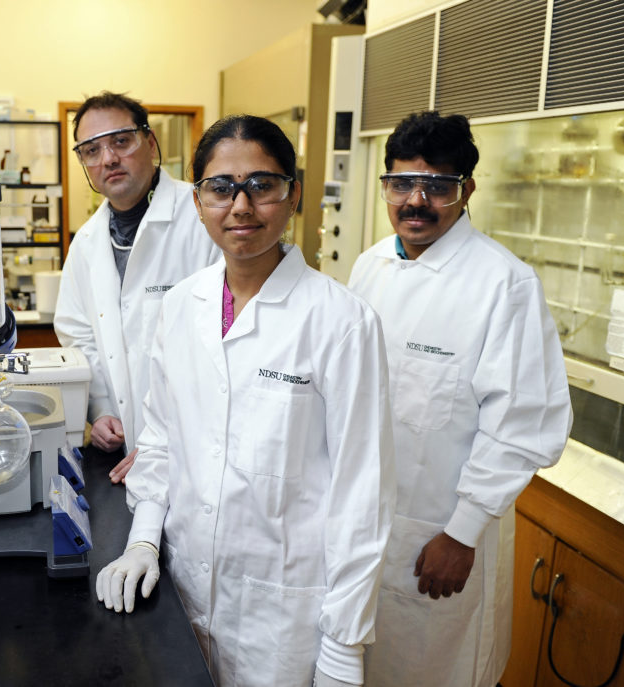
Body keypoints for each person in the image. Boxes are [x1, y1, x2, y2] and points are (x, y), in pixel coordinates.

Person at [95, 115, 396, 687]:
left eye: (262, 185)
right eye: (221, 187)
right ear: (198, 200)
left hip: (283, 616)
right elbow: (161, 440)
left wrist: (344, 643)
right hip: (182, 589)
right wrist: (143, 540)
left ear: (293, 195)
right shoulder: (181, 305)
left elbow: (364, 492)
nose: (241, 206)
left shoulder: (342, 322)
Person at [348, 111, 573, 687]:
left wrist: (463, 532)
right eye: (401, 183)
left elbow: (523, 424)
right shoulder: (370, 266)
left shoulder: (503, 284)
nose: (416, 201)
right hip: (365, 527)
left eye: (438, 186)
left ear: (466, 190)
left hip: (441, 536)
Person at [54, 92, 221, 482]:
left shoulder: (204, 218)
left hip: (197, 447)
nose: (108, 158)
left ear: (149, 141)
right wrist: (99, 410)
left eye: (121, 141)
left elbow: (223, 343)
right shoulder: (86, 243)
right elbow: (78, 335)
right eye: (91, 150)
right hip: (122, 452)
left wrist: (168, 438)